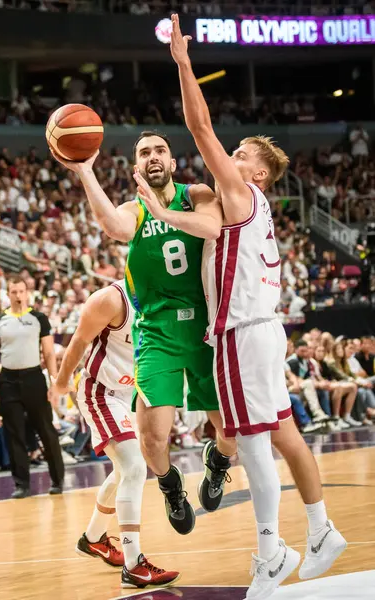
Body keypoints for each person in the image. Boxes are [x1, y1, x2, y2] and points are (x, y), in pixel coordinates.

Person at [146, 14, 346, 599]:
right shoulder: (247, 204)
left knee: (252, 439)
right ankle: (321, 530)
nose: (226, 156)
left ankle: (269, 551)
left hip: (240, 332)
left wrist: (183, 63)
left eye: (238, 154)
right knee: (281, 432)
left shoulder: (241, 189)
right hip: (263, 330)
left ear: (255, 171)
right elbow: (198, 192)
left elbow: (199, 123)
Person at [52, 130, 236, 536]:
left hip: (206, 329)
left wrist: (164, 213)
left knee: (230, 433)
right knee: (152, 441)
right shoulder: (134, 209)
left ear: (172, 163)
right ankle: (171, 487)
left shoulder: (198, 193)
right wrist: (85, 171)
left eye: (160, 151)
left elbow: (211, 228)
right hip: (156, 333)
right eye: (144, 153)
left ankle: (218, 463)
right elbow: (114, 227)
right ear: (137, 168)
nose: (153, 157)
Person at [50, 281, 179, 588]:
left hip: (126, 392)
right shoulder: (111, 298)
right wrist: (61, 381)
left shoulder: (164, 295)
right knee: (135, 467)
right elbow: (79, 342)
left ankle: (93, 538)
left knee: (124, 471)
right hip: (99, 391)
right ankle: (134, 565)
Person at [0, 276, 64, 498]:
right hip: (8, 380)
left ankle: (57, 479)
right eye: (13, 292)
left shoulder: (39, 319)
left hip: (33, 378)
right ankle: (21, 484)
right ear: (8, 294)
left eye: (21, 291)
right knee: (14, 433)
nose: (18, 295)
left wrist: (54, 381)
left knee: (45, 429)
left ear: (27, 292)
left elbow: (49, 353)